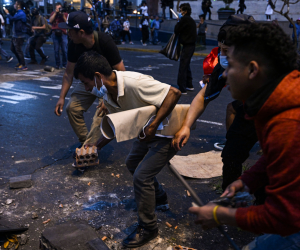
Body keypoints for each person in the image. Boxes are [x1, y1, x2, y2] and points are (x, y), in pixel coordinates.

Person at [189, 22, 300, 250]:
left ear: (252, 70)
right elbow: (274, 158)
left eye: (231, 66)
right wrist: (246, 182)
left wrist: (221, 215)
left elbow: (284, 217)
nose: (225, 74)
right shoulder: (273, 102)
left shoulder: (287, 123)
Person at [74, 51, 181, 248]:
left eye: (86, 83)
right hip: (146, 131)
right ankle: (159, 197)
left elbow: (174, 93)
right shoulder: (108, 94)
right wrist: (95, 147)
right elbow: (116, 126)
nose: (88, 89)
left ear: (98, 77)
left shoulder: (133, 83)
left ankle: (148, 227)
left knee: (142, 176)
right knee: (132, 163)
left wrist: (153, 125)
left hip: (166, 131)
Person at [172, 15, 261, 196]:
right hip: (250, 111)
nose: (225, 73)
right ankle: (230, 199)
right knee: (231, 154)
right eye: (221, 51)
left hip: (270, 115)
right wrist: (187, 126)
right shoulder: (225, 65)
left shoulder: (277, 82)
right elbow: (204, 96)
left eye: (227, 52)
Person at [54, 11, 125, 150]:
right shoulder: (74, 45)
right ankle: (87, 143)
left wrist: (109, 97)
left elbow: (121, 72)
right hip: (88, 82)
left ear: (81, 32)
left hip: (107, 83)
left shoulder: (105, 42)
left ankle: (90, 148)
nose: (68, 33)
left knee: (101, 113)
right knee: (72, 108)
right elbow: (68, 73)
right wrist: (61, 97)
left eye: (70, 31)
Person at [174, 3, 197, 94]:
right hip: (191, 45)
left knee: (183, 66)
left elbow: (176, 30)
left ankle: (182, 87)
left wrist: (178, 21)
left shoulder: (184, 20)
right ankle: (189, 84)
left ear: (185, 11)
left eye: (181, 10)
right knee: (186, 65)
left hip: (187, 45)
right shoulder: (191, 20)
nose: (180, 12)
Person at [4, 0, 27, 70]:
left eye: (16, 3)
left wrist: (7, 13)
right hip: (15, 35)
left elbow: (12, 18)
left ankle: (23, 65)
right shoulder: (18, 13)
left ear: (18, 5)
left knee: (18, 50)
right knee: (13, 49)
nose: (14, 5)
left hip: (19, 35)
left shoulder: (21, 13)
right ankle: (20, 62)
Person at [49, 2, 68, 70]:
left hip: (63, 33)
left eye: (59, 8)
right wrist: (55, 13)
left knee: (64, 50)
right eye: (57, 8)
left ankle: (64, 64)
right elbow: (50, 21)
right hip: (55, 33)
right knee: (56, 50)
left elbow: (67, 23)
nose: (58, 10)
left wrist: (62, 15)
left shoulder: (65, 14)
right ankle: (57, 64)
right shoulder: (53, 13)